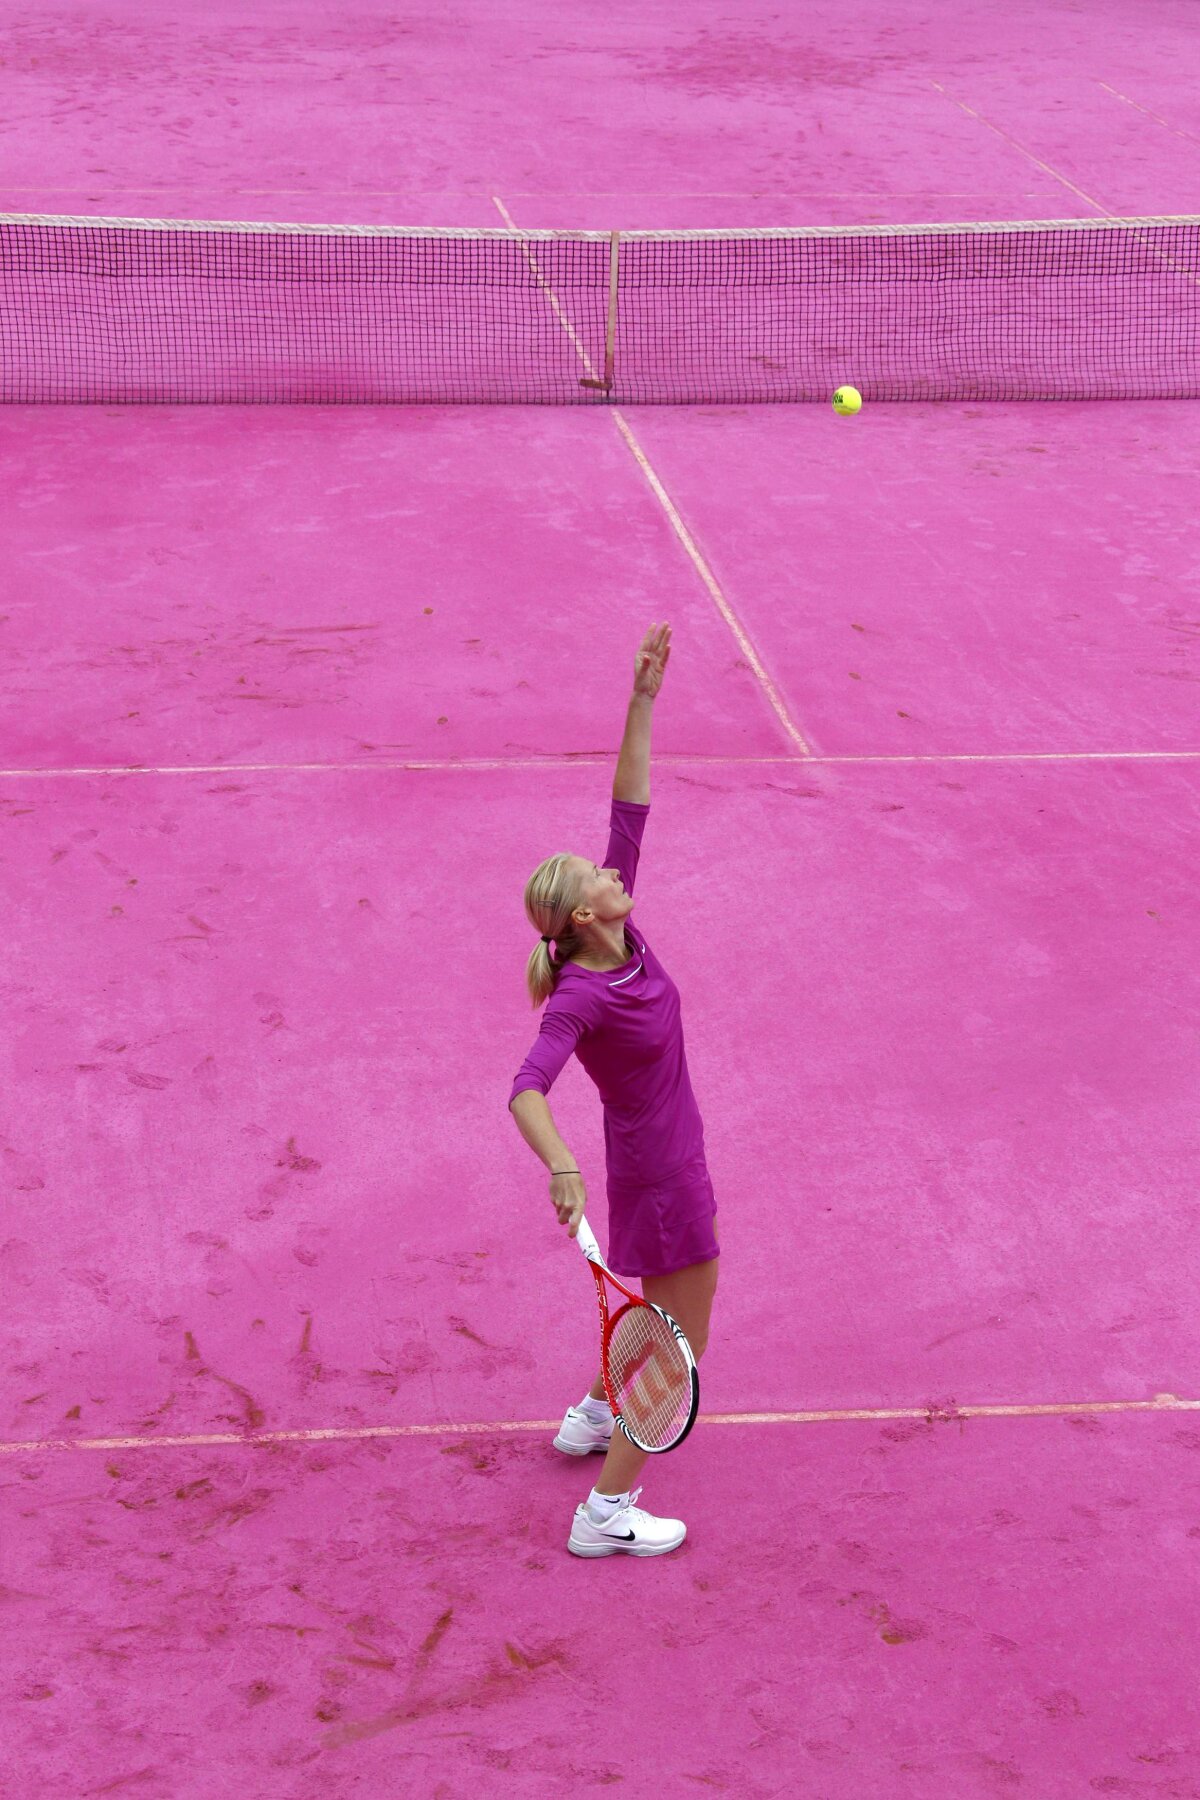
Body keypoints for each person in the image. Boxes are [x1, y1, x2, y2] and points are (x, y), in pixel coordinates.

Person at [507, 622, 719, 1558]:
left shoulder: (618, 934)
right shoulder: (582, 994)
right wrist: (561, 1167)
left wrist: (641, 698)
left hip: (664, 1160)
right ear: (585, 913)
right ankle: (606, 1513)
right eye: (598, 874)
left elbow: (629, 805)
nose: (611, 867)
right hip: (661, 1174)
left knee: (662, 1324)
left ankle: (594, 1413)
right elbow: (526, 1089)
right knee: (679, 1347)